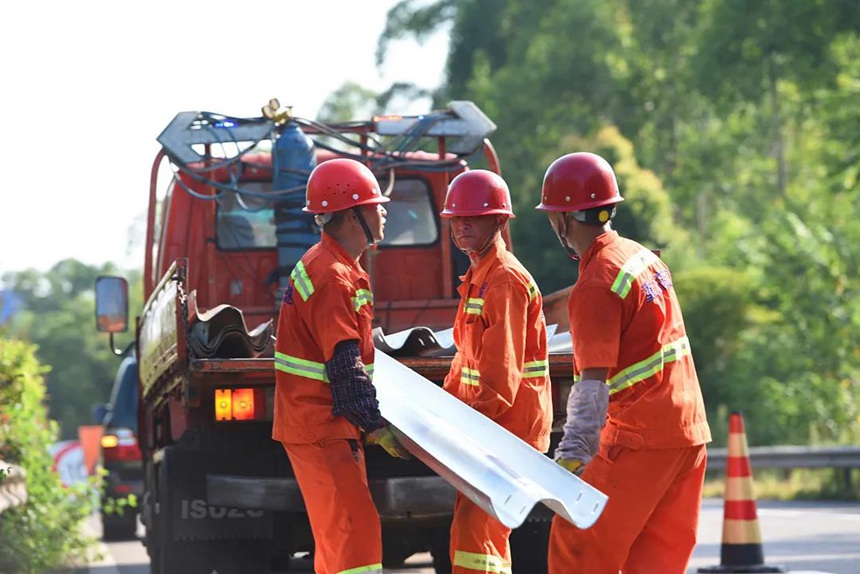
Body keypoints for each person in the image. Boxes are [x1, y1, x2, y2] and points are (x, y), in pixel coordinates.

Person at [535, 152, 712, 573]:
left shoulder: (596, 284)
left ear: (562, 219)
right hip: (688, 434)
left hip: (640, 438)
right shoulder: (643, 257)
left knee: (577, 543)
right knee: (654, 562)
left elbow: (592, 385)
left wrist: (573, 455)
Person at [272, 158, 410, 574]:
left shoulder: (333, 265)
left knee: (340, 536)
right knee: (354, 535)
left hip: (319, 424)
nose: (382, 212)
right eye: (374, 205)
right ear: (352, 215)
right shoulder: (333, 275)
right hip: (322, 426)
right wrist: (376, 426)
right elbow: (345, 367)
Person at [440, 169, 553, 574]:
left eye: (475, 217)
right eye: (457, 218)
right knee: (475, 536)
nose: (463, 225)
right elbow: (466, 360)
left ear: (500, 221)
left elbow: (500, 379)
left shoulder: (503, 279)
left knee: (480, 539)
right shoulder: (479, 275)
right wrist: (442, 413)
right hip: (491, 429)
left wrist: (462, 428)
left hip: (505, 431)